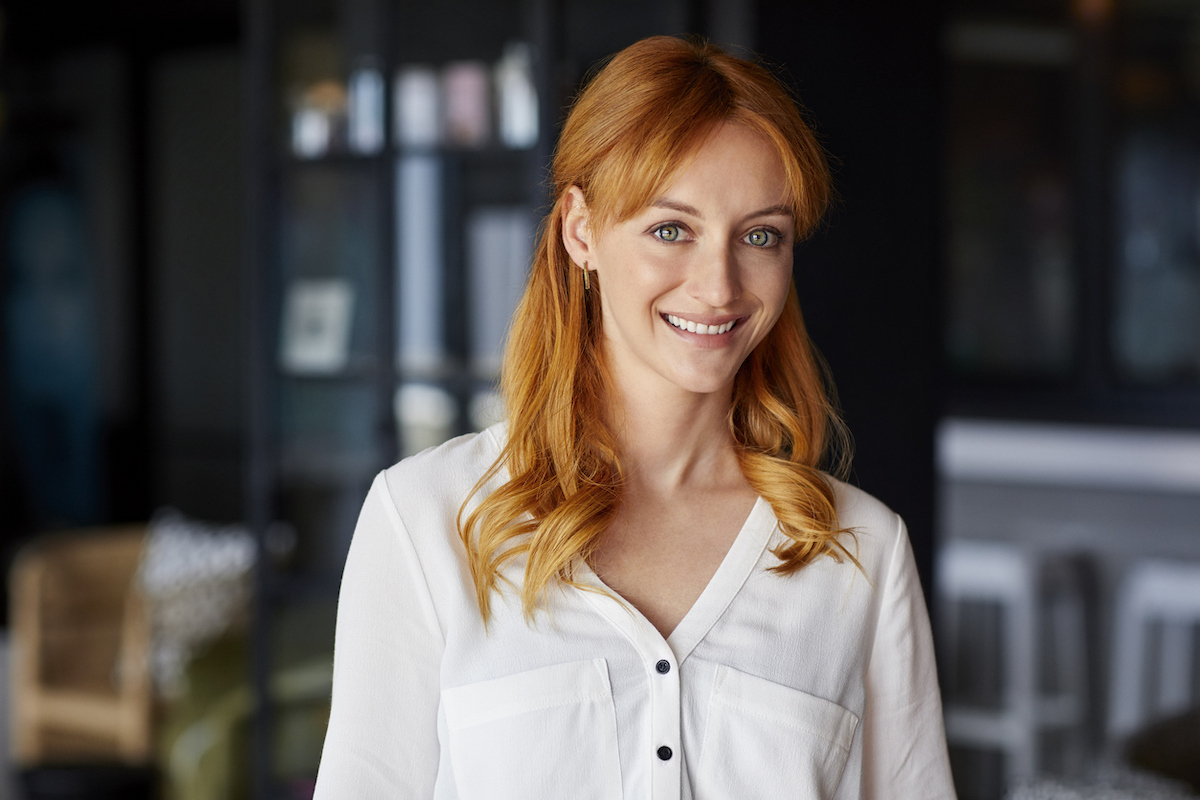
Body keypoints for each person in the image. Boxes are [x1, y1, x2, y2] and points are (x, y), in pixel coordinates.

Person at [314, 35, 955, 799]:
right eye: (670, 229)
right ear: (581, 231)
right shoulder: (425, 520)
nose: (719, 286)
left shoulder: (861, 554)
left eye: (759, 236)